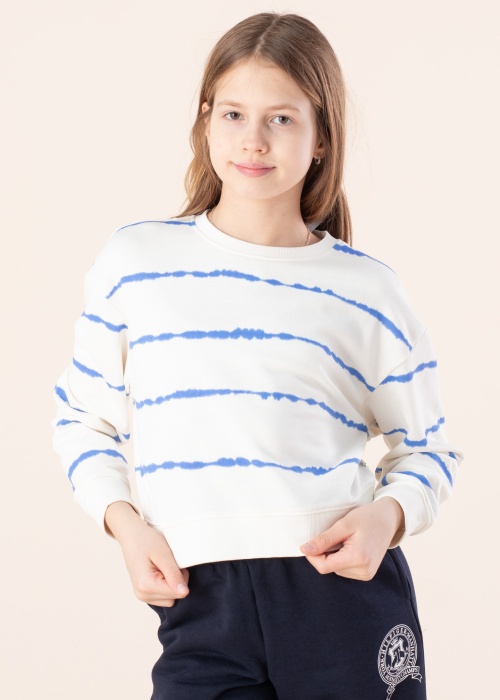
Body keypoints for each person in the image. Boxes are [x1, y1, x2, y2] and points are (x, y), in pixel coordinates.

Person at [53, 11, 462, 700]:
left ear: (321, 137)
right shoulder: (136, 263)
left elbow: (429, 451)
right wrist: (125, 527)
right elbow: (81, 420)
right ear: (205, 121)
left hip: (340, 595)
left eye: (281, 119)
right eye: (234, 114)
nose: (253, 139)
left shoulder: (367, 290)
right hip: (200, 601)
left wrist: (384, 519)